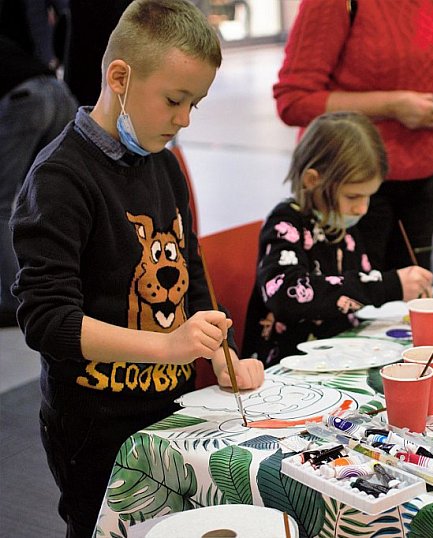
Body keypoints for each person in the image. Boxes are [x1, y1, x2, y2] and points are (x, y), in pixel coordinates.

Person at [10, 1, 265, 536]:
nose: (184, 119)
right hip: (93, 425)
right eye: (174, 100)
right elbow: (47, 320)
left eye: (195, 104)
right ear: (119, 77)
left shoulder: (165, 165)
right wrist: (168, 347)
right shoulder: (59, 179)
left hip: (167, 409)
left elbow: (192, 276)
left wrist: (223, 355)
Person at [273, 0, 433, 271]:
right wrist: (391, 106)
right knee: (354, 303)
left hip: (422, 181)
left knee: (412, 302)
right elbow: (293, 101)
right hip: (350, 188)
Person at [242, 111, 433, 366]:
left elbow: (356, 285)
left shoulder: (342, 222)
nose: (362, 208)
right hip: (287, 365)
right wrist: (389, 286)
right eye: (353, 197)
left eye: (369, 197)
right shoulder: (285, 223)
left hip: (339, 354)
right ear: (312, 181)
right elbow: (287, 296)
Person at [0, 0, 78, 327]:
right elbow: (60, 14)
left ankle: (14, 300)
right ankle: (61, 288)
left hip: (26, 100)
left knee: (1, 204)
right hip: (59, 93)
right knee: (50, 199)